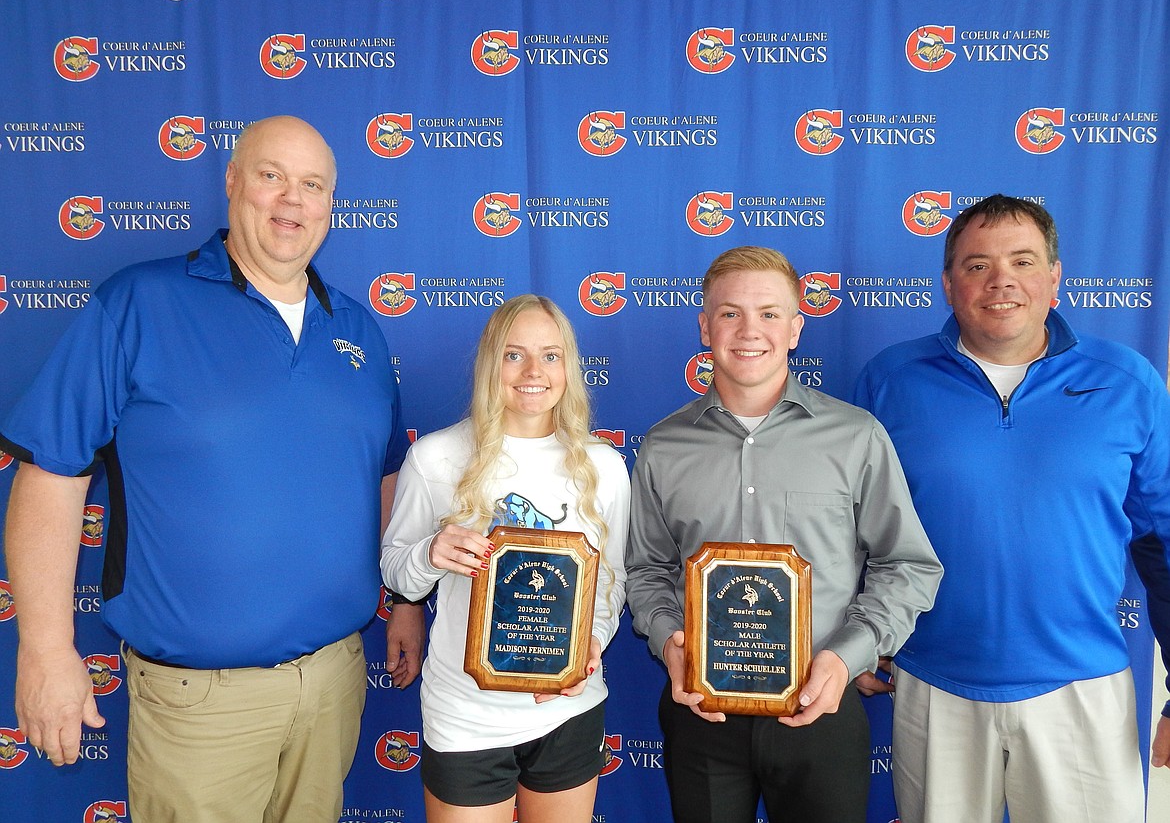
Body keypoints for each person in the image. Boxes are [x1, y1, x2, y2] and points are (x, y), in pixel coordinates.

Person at [1, 115, 423, 822]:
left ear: (331, 206)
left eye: (312, 184)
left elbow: (384, 478)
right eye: (271, 175)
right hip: (200, 706)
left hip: (333, 683)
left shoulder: (358, 330)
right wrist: (45, 649)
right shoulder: (138, 303)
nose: (292, 199)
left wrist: (407, 599)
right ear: (231, 182)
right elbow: (53, 473)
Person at [853, 194, 1170, 823]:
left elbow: (1163, 545)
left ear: (1054, 279)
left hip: (1082, 689)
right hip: (933, 683)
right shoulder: (891, 380)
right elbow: (854, 528)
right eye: (977, 265)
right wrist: (858, 637)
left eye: (1023, 262)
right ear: (948, 284)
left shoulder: (1128, 382)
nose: (1001, 281)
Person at [624, 245, 943, 823]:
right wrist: (668, 638)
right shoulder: (662, 446)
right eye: (730, 313)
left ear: (797, 328)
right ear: (704, 326)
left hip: (821, 709)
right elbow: (646, 569)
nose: (750, 330)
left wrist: (849, 657)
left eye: (770, 313)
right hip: (702, 714)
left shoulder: (856, 437)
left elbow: (909, 564)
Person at [380, 294, 629, 823]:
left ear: (569, 367)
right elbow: (397, 568)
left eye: (551, 355)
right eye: (514, 355)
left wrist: (591, 643)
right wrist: (431, 553)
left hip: (566, 708)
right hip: (465, 713)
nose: (533, 371)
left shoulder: (604, 466)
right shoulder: (434, 458)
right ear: (491, 363)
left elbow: (611, 581)